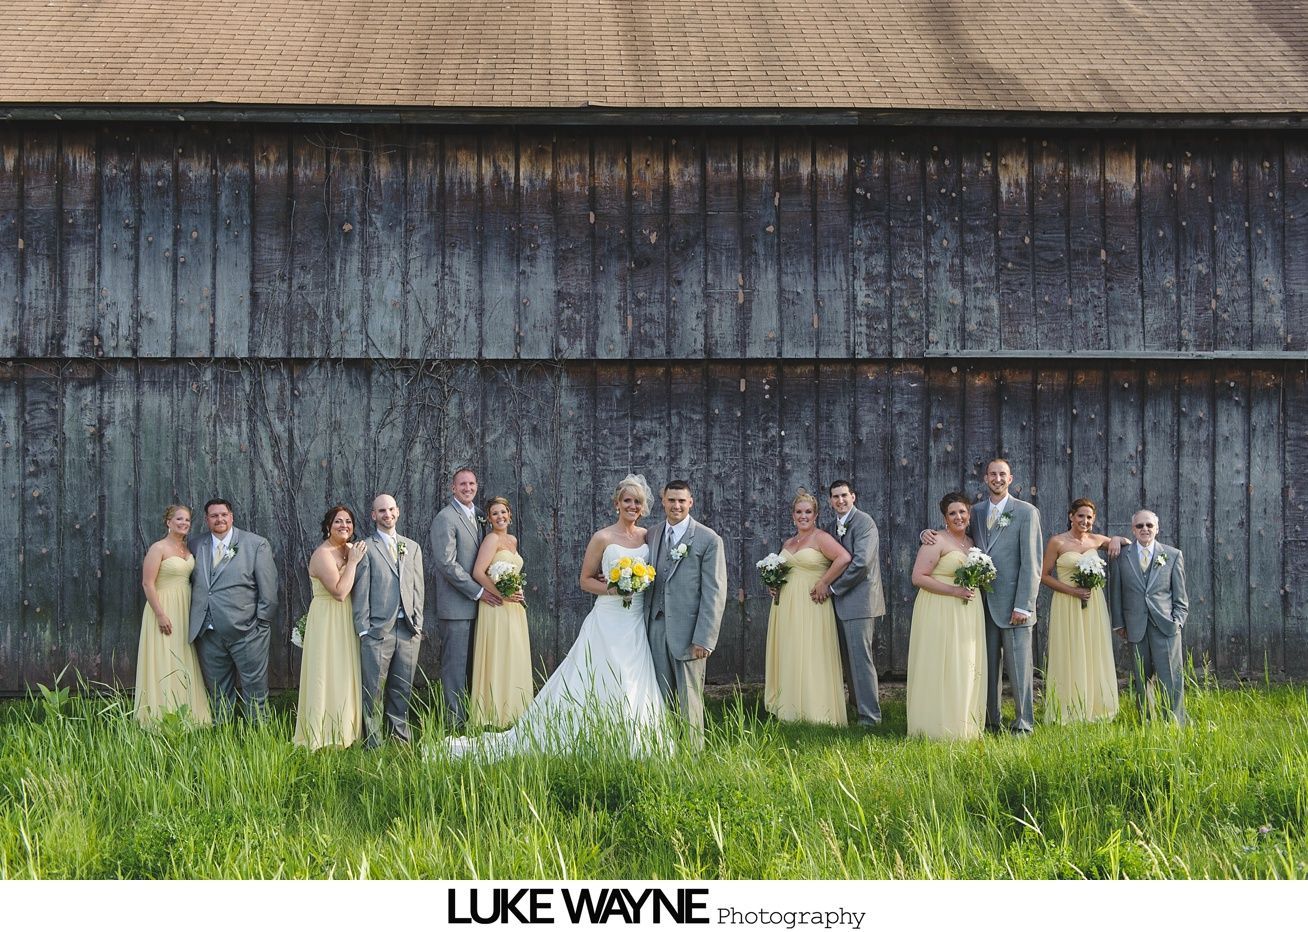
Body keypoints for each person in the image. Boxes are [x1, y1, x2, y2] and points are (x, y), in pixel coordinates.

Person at [445, 475, 668, 759]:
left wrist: (637, 584)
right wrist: (613, 589)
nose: (633, 506)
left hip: (635, 618)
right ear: (617, 504)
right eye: (627, 500)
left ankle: (634, 735)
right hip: (609, 616)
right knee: (596, 673)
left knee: (634, 675)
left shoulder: (647, 537)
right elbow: (586, 581)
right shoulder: (602, 537)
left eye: (638, 502)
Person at [923, 459, 1042, 734]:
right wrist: (926, 534)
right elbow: (954, 534)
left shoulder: (1026, 512)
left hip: (1014, 605)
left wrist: (1024, 605)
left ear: (1010, 479)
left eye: (1002, 474)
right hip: (980, 605)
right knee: (985, 668)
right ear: (985, 478)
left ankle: (1023, 724)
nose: (997, 478)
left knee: (1019, 670)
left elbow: (1032, 563)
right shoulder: (974, 511)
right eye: (992, 474)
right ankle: (990, 721)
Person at [644, 479, 727, 747]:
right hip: (655, 625)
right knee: (661, 691)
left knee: (689, 695)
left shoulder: (708, 539)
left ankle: (692, 753)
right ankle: (667, 747)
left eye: (682, 500)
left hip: (691, 632)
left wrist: (705, 637)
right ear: (663, 501)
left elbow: (714, 592)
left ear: (691, 502)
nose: (676, 505)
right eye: (671, 500)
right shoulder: (653, 534)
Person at [763, 489, 852, 726]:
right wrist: (774, 585)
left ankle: (816, 711)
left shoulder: (821, 537)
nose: (804, 516)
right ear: (793, 516)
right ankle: (789, 709)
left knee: (810, 653)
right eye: (799, 512)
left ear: (816, 515)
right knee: (790, 651)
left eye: (808, 512)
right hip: (785, 607)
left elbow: (843, 558)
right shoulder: (789, 542)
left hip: (811, 605)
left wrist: (824, 582)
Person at [188, 498, 279, 722]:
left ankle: (259, 739)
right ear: (207, 520)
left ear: (231, 517)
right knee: (218, 692)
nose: (219, 519)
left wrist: (260, 624)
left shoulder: (255, 544)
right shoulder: (196, 545)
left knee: (255, 691)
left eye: (223, 515)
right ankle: (223, 737)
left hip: (247, 632)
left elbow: (269, 589)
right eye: (214, 516)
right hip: (208, 632)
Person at [906, 492, 987, 739]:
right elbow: (918, 577)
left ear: (969, 514)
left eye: (962, 512)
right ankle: (934, 726)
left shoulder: (973, 543)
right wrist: (954, 590)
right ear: (945, 517)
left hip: (968, 610)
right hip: (939, 609)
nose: (958, 516)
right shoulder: (936, 540)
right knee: (939, 662)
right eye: (952, 513)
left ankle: (963, 723)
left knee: (963, 663)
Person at [1039, 498, 1123, 724]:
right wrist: (1071, 591)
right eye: (1080, 516)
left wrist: (1115, 538)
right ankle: (1069, 707)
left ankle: (1097, 706)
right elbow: (1044, 576)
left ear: (1093, 519)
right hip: (1067, 602)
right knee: (1070, 649)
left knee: (1093, 648)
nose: (1084, 521)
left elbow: (1124, 542)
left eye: (1089, 517)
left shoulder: (1096, 540)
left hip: (1093, 603)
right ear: (1071, 516)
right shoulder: (1057, 542)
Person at [430, 467, 501, 727]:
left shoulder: (481, 516)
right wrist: (479, 590)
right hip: (457, 605)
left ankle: (477, 717)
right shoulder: (446, 518)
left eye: (471, 483)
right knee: (455, 668)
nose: (468, 488)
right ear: (453, 488)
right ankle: (454, 723)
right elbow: (447, 563)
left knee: (476, 665)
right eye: (462, 484)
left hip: (482, 606)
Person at [353, 493, 426, 747]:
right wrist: (363, 630)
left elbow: (418, 588)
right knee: (373, 691)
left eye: (391, 509)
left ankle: (401, 741)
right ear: (374, 515)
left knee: (402, 689)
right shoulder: (366, 547)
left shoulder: (412, 546)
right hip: (378, 632)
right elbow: (360, 591)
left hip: (407, 630)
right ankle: (373, 743)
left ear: (398, 511)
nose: (387, 514)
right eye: (382, 511)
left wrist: (418, 624)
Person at [294, 504, 366, 749]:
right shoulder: (323, 554)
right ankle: (322, 732)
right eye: (338, 521)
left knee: (346, 670)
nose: (343, 525)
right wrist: (354, 562)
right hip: (327, 618)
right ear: (328, 526)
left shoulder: (349, 550)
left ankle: (348, 729)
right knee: (326, 671)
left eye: (348, 521)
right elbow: (339, 592)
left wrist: (352, 556)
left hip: (347, 618)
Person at [133, 504, 211, 726]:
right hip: (164, 607)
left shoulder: (188, 549)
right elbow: (147, 583)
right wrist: (160, 614)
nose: (184, 523)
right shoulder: (158, 548)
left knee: (183, 656)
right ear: (168, 522)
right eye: (179, 519)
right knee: (164, 656)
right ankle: (159, 715)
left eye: (187, 520)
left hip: (184, 608)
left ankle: (190, 713)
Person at [1109, 510, 1190, 724]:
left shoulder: (1172, 555)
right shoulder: (1122, 556)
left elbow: (1180, 595)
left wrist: (1177, 621)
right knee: (1140, 678)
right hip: (1135, 626)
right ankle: (1144, 722)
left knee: (1171, 677)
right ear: (1133, 529)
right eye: (1139, 526)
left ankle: (1174, 722)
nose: (1145, 529)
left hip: (1166, 626)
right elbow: (1115, 591)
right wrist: (1118, 623)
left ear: (1157, 528)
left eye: (1149, 525)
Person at [822, 479, 886, 728]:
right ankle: (855, 707)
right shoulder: (831, 526)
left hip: (859, 602)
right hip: (840, 602)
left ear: (853, 497)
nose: (840, 500)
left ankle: (870, 717)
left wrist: (832, 588)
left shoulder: (864, 522)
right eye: (835, 497)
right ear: (830, 501)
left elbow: (861, 564)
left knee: (861, 659)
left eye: (844, 496)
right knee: (848, 660)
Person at [467, 496, 533, 727]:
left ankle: (515, 710)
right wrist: (502, 594)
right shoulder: (491, 539)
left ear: (510, 514)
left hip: (514, 608)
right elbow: (478, 572)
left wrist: (517, 591)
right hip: (495, 606)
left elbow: (511, 572)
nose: (500, 517)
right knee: (499, 653)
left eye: (503, 512)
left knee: (514, 653)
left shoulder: (512, 540)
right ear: (489, 518)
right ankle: (493, 713)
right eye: (495, 513)